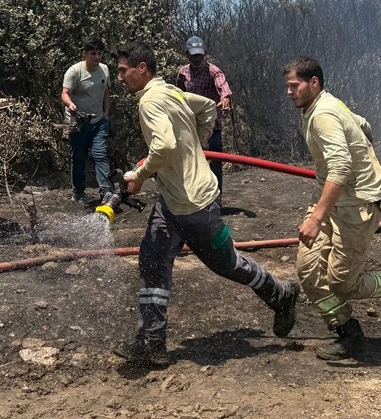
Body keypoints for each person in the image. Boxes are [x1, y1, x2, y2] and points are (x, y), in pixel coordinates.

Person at [115, 41, 298, 368]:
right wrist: (196, 145)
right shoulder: (171, 92)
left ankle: (280, 293)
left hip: (194, 205)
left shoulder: (150, 103)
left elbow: (165, 145)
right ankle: (151, 341)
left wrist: (140, 175)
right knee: (153, 258)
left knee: (225, 263)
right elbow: (207, 108)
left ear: (142, 68)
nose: (119, 77)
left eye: (123, 70)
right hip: (175, 200)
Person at [284, 56, 381, 361]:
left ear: (313, 83)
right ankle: (348, 333)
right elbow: (362, 124)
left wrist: (316, 218)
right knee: (309, 270)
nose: (289, 92)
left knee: (342, 283)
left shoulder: (323, 114)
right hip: (336, 201)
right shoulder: (327, 105)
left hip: (355, 208)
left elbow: (340, 166)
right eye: (287, 86)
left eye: (294, 85)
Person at [173, 36, 233, 195]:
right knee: (191, 163)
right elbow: (178, 93)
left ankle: (216, 199)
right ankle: (195, 199)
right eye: (194, 55)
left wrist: (225, 97)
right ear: (187, 54)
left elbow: (223, 85)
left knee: (215, 163)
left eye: (200, 55)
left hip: (212, 126)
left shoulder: (213, 70)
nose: (197, 58)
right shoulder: (183, 72)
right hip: (190, 125)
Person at [61, 38, 113, 205]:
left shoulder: (104, 69)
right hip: (78, 121)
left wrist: (106, 113)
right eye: (93, 54)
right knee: (79, 157)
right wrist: (70, 104)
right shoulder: (75, 71)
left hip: (98, 120)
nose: (96, 57)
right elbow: (64, 93)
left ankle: (106, 191)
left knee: (100, 154)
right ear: (85, 54)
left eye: (99, 53)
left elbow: (106, 92)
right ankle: (79, 192)